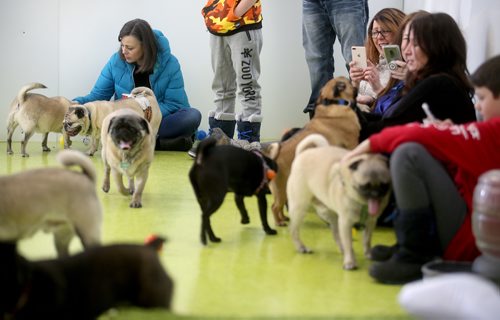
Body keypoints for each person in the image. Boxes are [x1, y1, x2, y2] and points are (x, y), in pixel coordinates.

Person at [342, 54, 500, 284]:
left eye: (483, 98)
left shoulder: (492, 131)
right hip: (474, 226)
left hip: (473, 242)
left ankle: (414, 254)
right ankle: (409, 244)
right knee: (420, 150)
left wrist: (368, 145)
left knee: (409, 153)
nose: (477, 105)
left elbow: (413, 132)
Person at [73, 19, 201, 151]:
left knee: (192, 116)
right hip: (125, 123)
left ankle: (141, 142)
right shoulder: (115, 61)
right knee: (113, 122)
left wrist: (145, 112)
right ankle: (160, 143)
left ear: (145, 46)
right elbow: (97, 96)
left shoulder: (170, 64)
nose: (124, 51)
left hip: (158, 121)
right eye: (122, 45)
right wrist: (75, 104)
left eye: (130, 48)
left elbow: (175, 104)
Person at [356, 12, 476, 142]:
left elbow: (386, 128)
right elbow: (386, 118)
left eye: (416, 43)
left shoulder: (440, 84)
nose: (406, 50)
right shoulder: (430, 81)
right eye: (405, 40)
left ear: (438, 47)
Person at [200, 0, 264, 144]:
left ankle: (248, 141)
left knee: (247, 85)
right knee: (221, 85)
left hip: (244, 24)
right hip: (218, 27)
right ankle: (220, 140)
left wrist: (234, 13)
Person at [302, 0, 368, 118]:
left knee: (356, 61)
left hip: (347, 3)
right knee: (317, 64)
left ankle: (362, 119)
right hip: (312, 2)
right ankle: (320, 119)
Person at [349, 8, 406, 108]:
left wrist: (373, 99)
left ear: (400, 32)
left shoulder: (406, 70)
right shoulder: (373, 63)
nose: (379, 37)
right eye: (375, 32)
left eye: (385, 31)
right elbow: (353, 100)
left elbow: (396, 108)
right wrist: (355, 83)